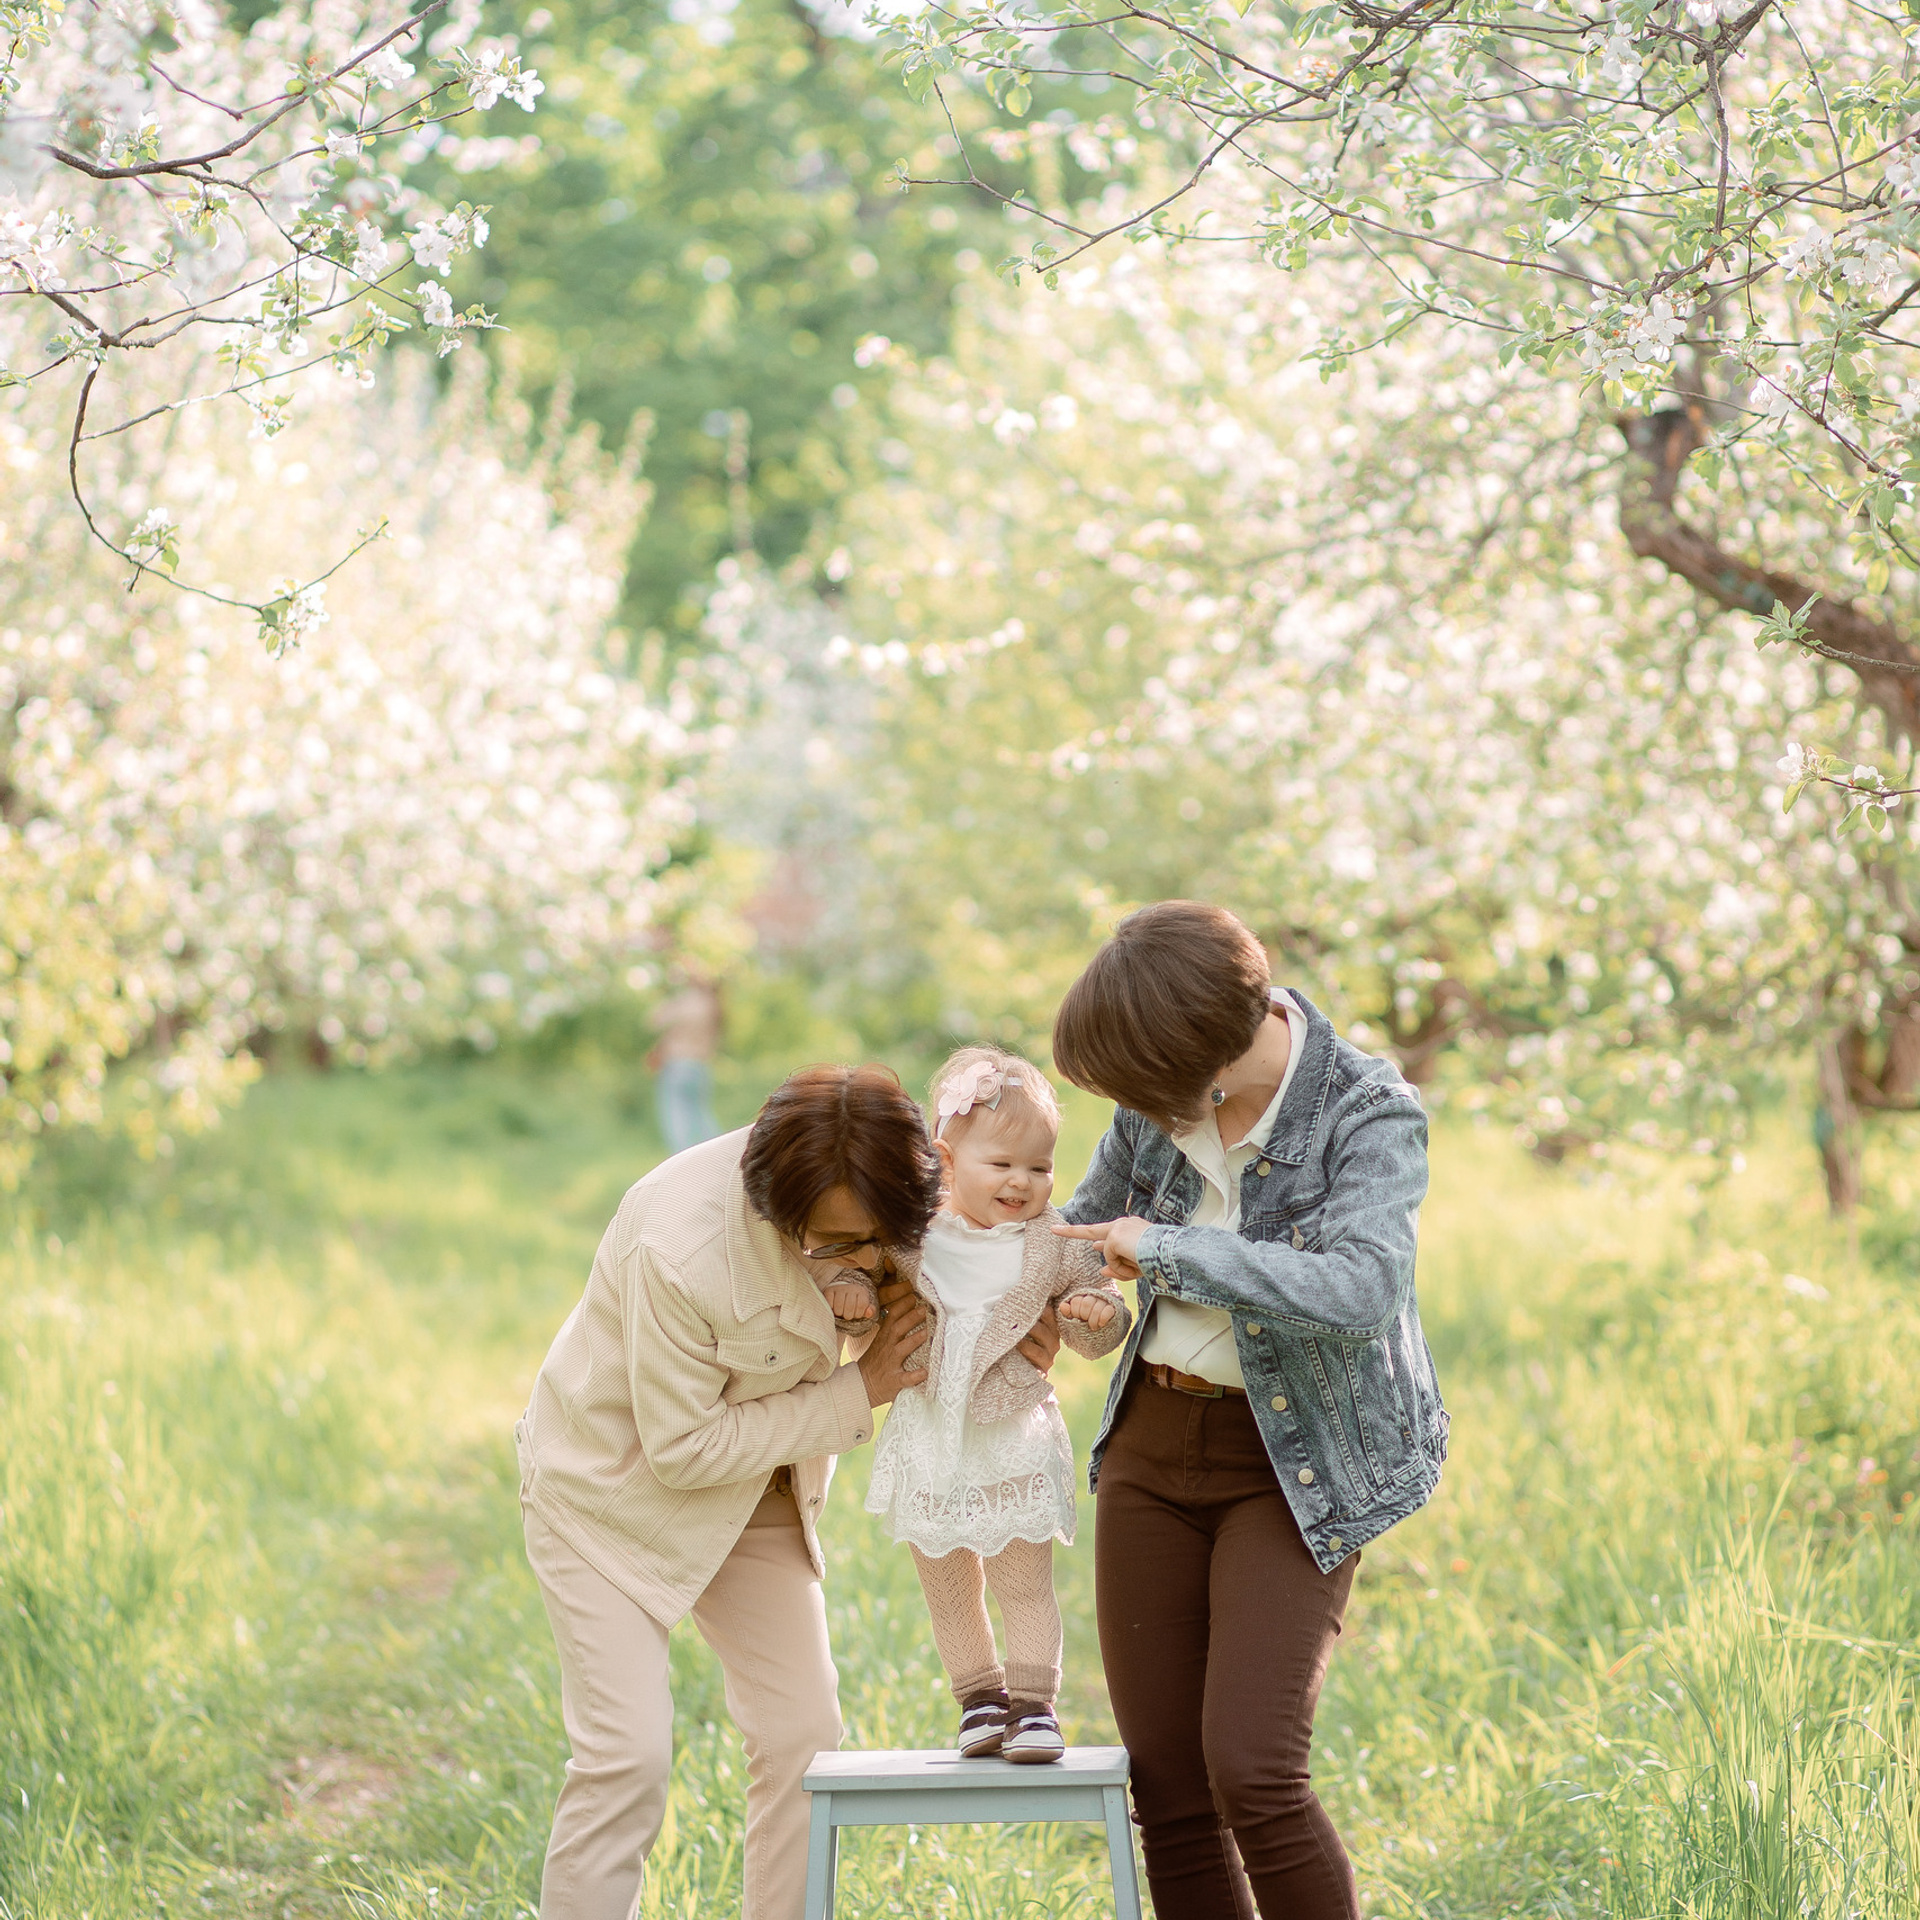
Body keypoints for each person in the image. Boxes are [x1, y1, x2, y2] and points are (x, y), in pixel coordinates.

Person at [514, 1062, 1061, 1920]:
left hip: (759, 1491)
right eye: (834, 1243)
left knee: (804, 1740)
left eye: (876, 1235)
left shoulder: (886, 1192)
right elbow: (683, 1449)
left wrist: (1019, 1334)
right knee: (626, 1759)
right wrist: (863, 1388)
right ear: (777, 1208)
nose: (862, 1256)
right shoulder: (678, 1244)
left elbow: (985, 1270)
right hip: (609, 1496)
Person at [1050, 901, 1448, 1920]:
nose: (1143, 1115)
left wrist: (1172, 1253)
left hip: (1295, 1462)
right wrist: (1068, 1285)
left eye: (1152, 1093)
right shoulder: (1157, 1098)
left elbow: (1363, 1290)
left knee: (1254, 1773)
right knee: (1169, 1788)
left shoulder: (1368, 1111)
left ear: (1211, 1061)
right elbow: (1088, 1233)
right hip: (1152, 1446)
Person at [844, 1048, 1130, 1763]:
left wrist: (1096, 1313)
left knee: (1022, 1581)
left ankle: (1034, 1706)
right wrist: (848, 1293)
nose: (1022, 1183)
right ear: (944, 1159)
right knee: (946, 1582)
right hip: (930, 1435)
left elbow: (1095, 1298)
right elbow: (857, 1275)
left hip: (1010, 1435)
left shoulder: (1051, 1241)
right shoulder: (908, 1237)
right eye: (1002, 1164)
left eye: (1039, 1167)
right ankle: (977, 1699)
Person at [651, 973, 722, 1154]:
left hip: (677, 1064)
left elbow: (654, 1020)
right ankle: (719, 1153)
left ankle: (680, 1158)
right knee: (701, 1112)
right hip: (700, 1066)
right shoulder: (714, 1004)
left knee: (677, 1116)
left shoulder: (685, 1001)